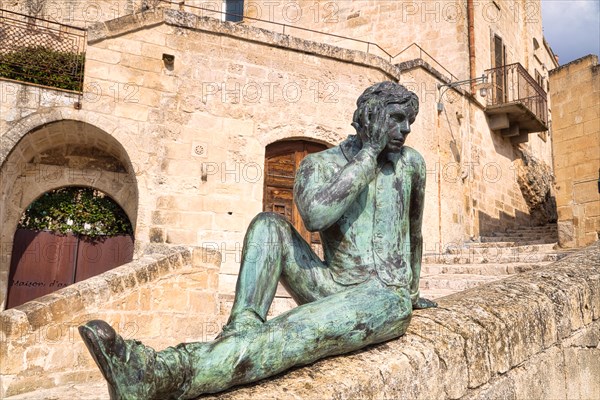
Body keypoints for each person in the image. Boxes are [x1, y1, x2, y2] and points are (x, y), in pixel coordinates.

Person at [79, 81, 437, 400]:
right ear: (371, 118)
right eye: (397, 119)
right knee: (268, 225)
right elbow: (315, 218)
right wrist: (367, 156)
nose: (405, 130)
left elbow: (415, 232)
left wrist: (412, 291)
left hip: (385, 296)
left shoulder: (411, 165)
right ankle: (243, 325)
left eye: (410, 122)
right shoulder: (319, 165)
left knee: (297, 330)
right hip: (332, 284)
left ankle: (166, 372)